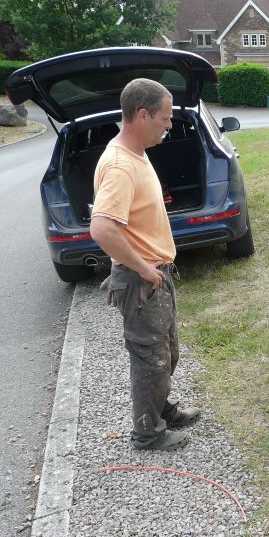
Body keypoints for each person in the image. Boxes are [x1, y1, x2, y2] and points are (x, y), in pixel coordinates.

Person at [90, 78, 200, 451]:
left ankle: (162, 409)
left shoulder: (138, 152)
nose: (170, 125)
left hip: (155, 274)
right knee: (150, 359)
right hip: (142, 280)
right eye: (165, 118)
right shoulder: (121, 165)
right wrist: (142, 268)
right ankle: (147, 433)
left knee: (167, 353)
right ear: (142, 114)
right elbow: (102, 228)